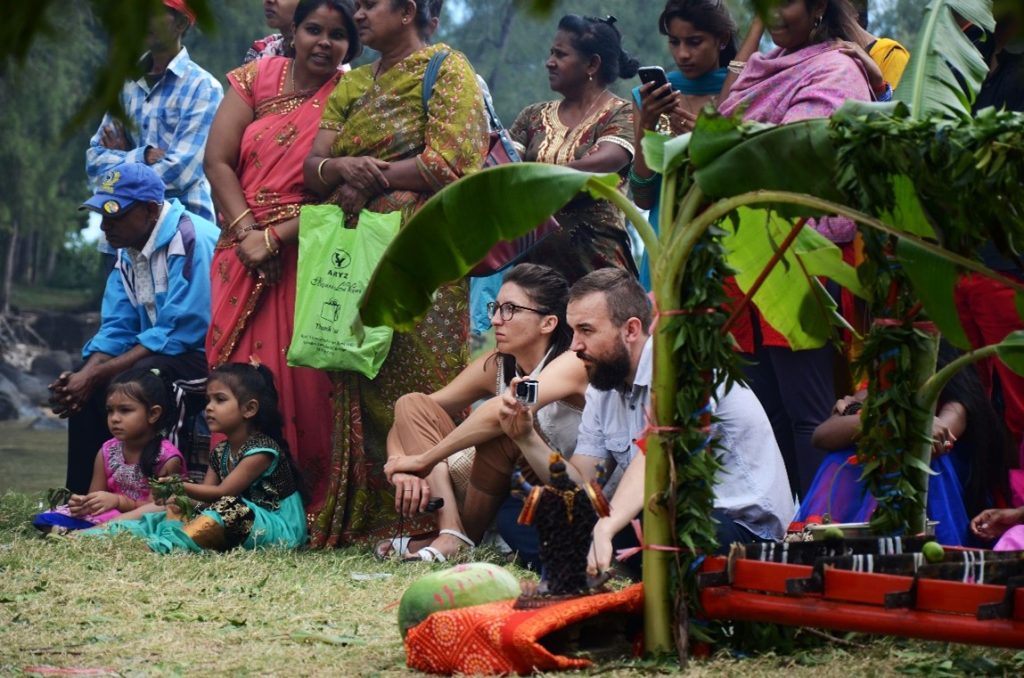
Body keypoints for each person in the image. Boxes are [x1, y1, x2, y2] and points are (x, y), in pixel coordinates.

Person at [302, 0, 489, 548]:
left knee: (421, 381)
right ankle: (367, 518)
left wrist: (368, 176)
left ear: (407, 10)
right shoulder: (352, 82)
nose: (357, 14)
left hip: (422, 253)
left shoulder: (447, 68)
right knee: (359, 372)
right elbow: (315, 167)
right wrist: (341, 169)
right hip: (355, 251)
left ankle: (439, 521)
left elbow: (451, 164)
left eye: (369, 5)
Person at [498, 268, 795, 577]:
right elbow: (582, 487)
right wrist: (526, 437)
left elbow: (654, 455)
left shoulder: (681, 367)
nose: (574, 346)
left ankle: (611, 577)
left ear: (630, 330)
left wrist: (607, 526)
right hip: (655, 521)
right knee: (519, 516)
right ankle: (605, 574)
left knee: (665, 523)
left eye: (586, 330)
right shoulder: (603, 383)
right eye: (573, 331)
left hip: (740, 533)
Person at [204, 0, 361, 513]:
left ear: (348, 47)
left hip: (307, 250)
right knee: (234, 377)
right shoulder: (255, 78)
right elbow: (218, 161)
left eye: (337, 35)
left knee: (308, 382)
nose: (323, 42)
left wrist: (277, 239)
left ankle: (306, 505)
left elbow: (346, 191)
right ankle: (227, 500)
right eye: (313, 29)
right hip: (239, 247)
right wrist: (250, 234)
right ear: (293, 31)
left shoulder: (352, 94)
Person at [717, 0, 872, 498]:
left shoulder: (837, 70)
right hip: (744, 263)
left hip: (802, 259)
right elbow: (717, 143)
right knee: (760, 414)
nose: (773, 12)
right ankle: (772, 531)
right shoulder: (765, 68)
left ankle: (814, 532)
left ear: (820, 6)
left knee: (809, 414)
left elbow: (797, 165)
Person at [381, 264, 587, 563]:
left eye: (509, 310)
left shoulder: (572, 362)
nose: (494, 320)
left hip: (560, 487)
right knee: (410, 403)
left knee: (504, 427)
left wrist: (425, 459)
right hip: (503, 483)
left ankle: (456, 536)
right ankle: (451, 532)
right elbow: (408, 417)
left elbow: (505, 409)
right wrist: (399, 465)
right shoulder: (499, 363)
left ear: (548, 323)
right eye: (495, 308)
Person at [51, 163, 219, 495]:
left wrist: (99, 374)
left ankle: (159, 498)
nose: (104, 226)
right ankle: (80, 498)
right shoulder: (127, 252)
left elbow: (180, 332)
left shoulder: (190, 238)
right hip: (162, 351)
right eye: (102, 216)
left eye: (115, 216)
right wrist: (84, 376)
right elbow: (117, 328)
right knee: (86, 387)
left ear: (150, 210)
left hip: (205, 356)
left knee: (148, 380)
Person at [797, 343, 1012, 546]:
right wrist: (895, 421)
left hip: (933, 498)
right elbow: (821, 435)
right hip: (876, 493)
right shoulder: (880, 389)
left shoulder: (957, 403)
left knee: (921, 459)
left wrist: (862, 416)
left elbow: (932, 443)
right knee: (843, 454)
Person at [100, 363, 308, 552]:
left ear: (249, 409)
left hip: (278, 530)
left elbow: (222, 493)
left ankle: (167, 545)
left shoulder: (262, 450)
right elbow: (203, 499)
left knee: (230, 507)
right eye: (208, 400)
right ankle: (115, 531)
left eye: (220, 400)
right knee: (180, 504)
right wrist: (175, 500)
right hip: (241, 520)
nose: (208, 407)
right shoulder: (220, 451)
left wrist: (179, 486)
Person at [508, 14, 640, 285]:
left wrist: (529, 176)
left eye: (560, 54)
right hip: (533, 277)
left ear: (592, 64)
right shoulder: (532, 116)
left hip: (598, 276)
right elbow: (503, 168)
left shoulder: (623, 113)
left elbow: (604, 163)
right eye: (550, 53)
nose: (549, 62)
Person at [629, 0, 739, 288]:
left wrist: (706, 144)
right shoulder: (650, 99)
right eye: (674, 42)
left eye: (694, 42)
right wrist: (648, 126)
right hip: (666, 238)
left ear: (722, 39)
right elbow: (642, 196)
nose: (683, 54)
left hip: (730, 236)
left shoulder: (744, 90)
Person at [86, 0, 223, 223]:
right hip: (126, 232)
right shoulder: (126, 84)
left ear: (181, 24)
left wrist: (122, 159)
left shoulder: (203, 88)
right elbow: (94, 162)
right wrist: (142, 156)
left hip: (183, 226)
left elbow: (179, 173)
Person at [34, 369, 185, 534]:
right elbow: (96, 495)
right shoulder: (107, 451)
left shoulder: (167, 458)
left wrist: (118, 501)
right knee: (47, 517)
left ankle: (87, 533)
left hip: (141, 518)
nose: (114, 418)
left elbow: (159, 507)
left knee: (151, 518)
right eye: (110, 411)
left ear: (153, 414)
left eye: (125, 410)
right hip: (109, 515)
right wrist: (84, 504)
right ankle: (86, 532)